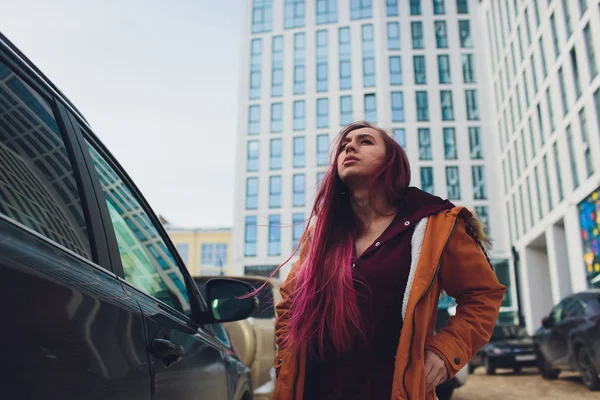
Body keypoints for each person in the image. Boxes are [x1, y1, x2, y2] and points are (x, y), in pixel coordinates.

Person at [272, 121, 506, 400]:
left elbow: (482, 294)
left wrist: (445, 352)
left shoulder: (435, 225)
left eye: (365, 141)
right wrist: (288, 356)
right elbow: (290, 302)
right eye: (345, 144)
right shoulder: (322, 235)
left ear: (391, 161)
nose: (350, 146)